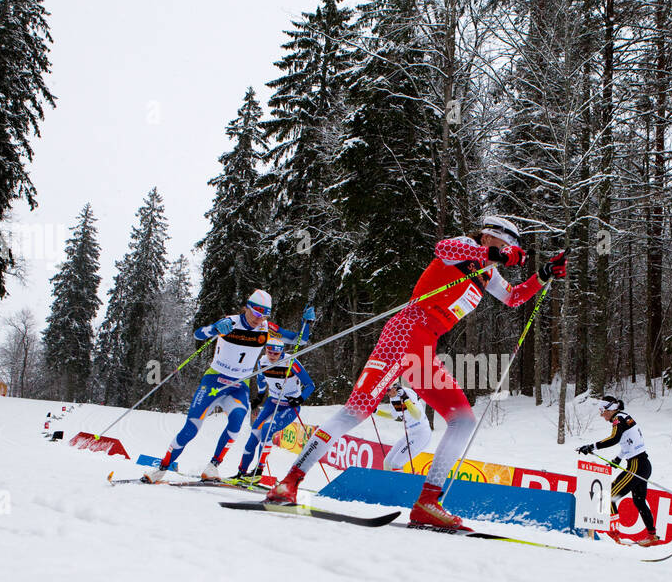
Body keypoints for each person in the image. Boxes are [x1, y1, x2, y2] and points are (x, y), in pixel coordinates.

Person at [266, 215, 568, 529]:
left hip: (423, 349)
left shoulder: (487, 274)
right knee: (356, 411)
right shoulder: (467, 248)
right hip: (403, 332)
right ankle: (289, 482)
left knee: (462, 420)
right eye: (506, 245)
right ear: (490, 237)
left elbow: (514, 297)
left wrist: (544, 274)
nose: (509, 252)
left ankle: (428, 502)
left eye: (512, 248)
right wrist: (496, 255)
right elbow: (442, 248)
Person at [143, 289, 273, 483]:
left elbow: (296, 339)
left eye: (264, 315)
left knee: (237, 421)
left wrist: (307, 324)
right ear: (246, 307)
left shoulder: (266, 328)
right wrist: (214, 329)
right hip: (215, 380)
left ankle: (212, 467)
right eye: (255, 313)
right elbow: (198, 334)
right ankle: (161, 468)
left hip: (239, 385)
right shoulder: (230, 322)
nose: (258, 319)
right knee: (192, 427)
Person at [231, 331, 316, 482]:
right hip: (272, 402)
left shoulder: (292, 362)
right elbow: (261, 380)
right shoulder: (262, 362)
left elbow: (310, 385)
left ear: (281, 352)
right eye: (269, 352)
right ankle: (241, 472)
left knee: (267, 428)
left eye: (276, 353)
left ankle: (258, 471)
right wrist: (259, 396)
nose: (272, 356)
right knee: (254, 435)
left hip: (290, 406)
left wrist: (300, 399)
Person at [576, 395, 659, 546]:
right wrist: (618, 459)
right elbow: (627, 442)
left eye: (602, 410)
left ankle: (614, 537)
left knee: (608, 496)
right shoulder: (625, 417)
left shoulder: (617, 419)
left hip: (636, 465)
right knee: (639, 501)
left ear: (610, 408)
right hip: (644, 465)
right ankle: (652, 536)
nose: (601, 414)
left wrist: (591, 446)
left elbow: (614, 438)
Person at [376, 381, 431, 472]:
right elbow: (394, 416)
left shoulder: (407, 392)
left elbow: (417, 415)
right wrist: (376, 411)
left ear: (395, 387)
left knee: (396, 464)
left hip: (421, 434)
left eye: (388, 390)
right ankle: (387, 484)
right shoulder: (393, 398)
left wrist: (405, 398)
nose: (387, 394)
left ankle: (399, 485)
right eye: (385, 391)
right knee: (387, 462)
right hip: (411, 433)